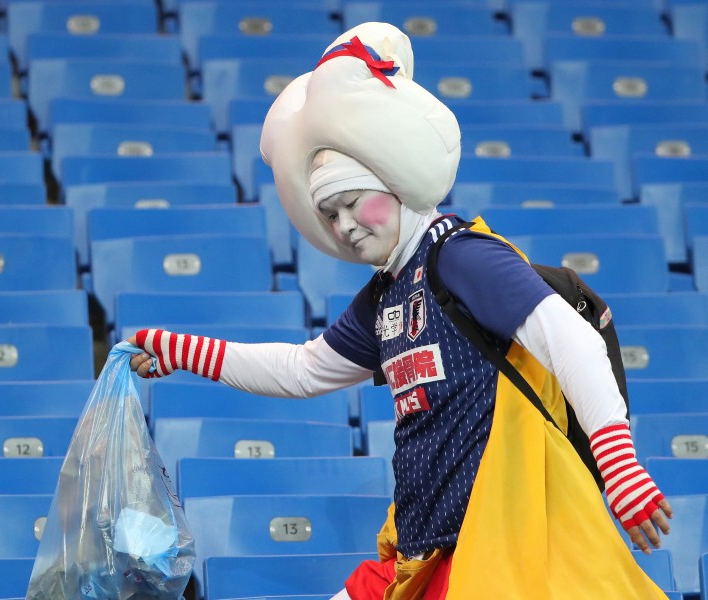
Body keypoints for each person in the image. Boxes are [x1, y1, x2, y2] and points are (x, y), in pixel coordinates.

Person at [128, 22, 673, 600]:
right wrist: (185, 352)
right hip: (425, 551)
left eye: (352, 202)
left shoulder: (460, 257)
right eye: (330, 214)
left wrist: (622, 468)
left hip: (497, 551)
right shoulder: (386, 291)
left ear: (393, 182)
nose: (344, 227)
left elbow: (573, 340)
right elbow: (303, 370)